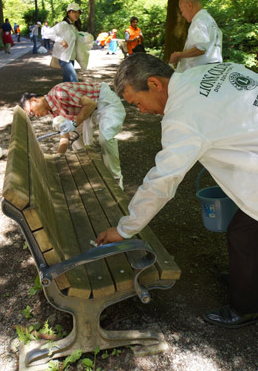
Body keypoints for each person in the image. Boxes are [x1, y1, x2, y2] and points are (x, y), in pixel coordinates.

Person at [96, 53, 258, 329]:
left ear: (155, 84)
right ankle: (249, 280)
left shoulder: (181, 117)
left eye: (138, 102)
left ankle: (246, 307)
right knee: (246, 227)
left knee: (243, 234)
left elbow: (162, 180)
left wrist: (125, 229)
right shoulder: (204, 72)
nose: (142, 111)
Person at [20, 81, 126, 189]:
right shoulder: (54, 112)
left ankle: (116, 180)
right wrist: (56, 159)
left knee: (105, 139)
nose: (35, 116)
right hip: (89, 111)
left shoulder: (59, 92)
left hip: (104, 101)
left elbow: (90, 104)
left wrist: (74, 123)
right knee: (75, 140)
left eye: (32, 112)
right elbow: (65, 139)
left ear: (34, 100)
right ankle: (92, 167)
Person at [169, 0, 223, 72]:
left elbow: (200, 48)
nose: (183, 15)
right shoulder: (209, 20)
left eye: (182, 10)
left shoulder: (199, 21)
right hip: (211, 69)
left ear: (189, 5)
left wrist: (179, 55)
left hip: (200, 72)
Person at [45, 3, 82, 82]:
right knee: (74, 80)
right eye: (74, 12)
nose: (77, 14)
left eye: (78, 12)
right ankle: (76, 94)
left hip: (71, 58)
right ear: (69, 13)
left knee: (67, 82)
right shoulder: (63, 24)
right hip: (64, 58)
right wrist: (61, 40)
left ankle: (62, 94)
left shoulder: (73, 27)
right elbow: (48, 33)